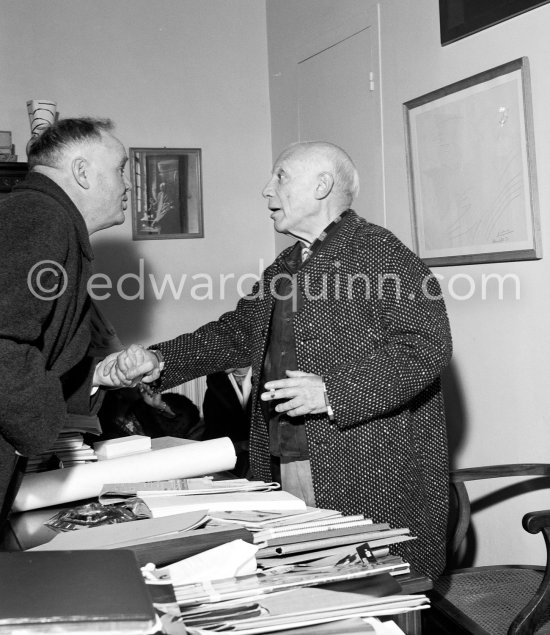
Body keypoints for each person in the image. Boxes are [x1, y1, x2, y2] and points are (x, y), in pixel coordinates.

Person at [140, 141, 452, 579]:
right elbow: (235, 333)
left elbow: (425, 345)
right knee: (310, 589)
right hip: (291, 458)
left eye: (280, 176)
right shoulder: (289, 263)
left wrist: (332, 391)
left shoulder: (379, 252)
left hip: (363, 466)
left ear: (322, 185)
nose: (267, 190)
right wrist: (159, 362)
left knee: (372, 594)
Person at [0, 117, 161, 516]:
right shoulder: (40, 216)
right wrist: (35, 433)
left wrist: (94, 378)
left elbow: (31, 349)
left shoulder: (39, 213)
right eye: (121, 168)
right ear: (82, 172)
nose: (127, 185)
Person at [97, 383, 203, 442]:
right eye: (132, 382)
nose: (141, 384)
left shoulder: (145, 407)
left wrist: (160, 406)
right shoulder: (102, 424)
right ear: (119, 392)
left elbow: (190, 415)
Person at [203, 367, 252, 477]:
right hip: (226, 464)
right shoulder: (216, 386)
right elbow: (212, 436)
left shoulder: (270, 374)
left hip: (267, 464)